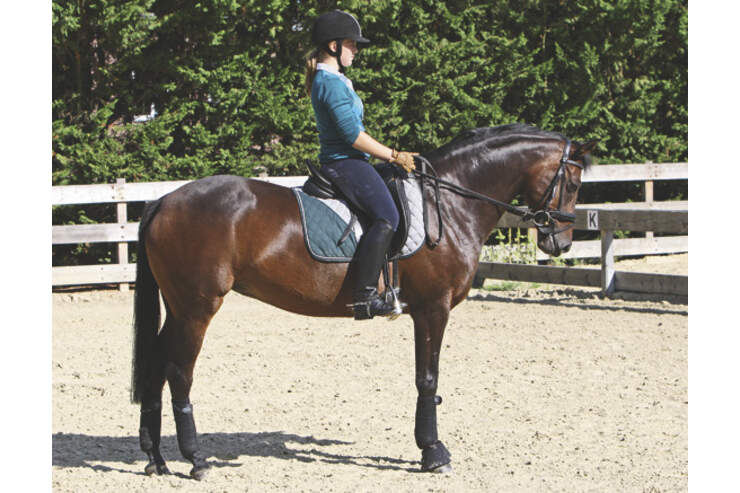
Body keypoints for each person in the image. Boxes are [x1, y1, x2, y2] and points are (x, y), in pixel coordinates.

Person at [305, 10, 418, 320]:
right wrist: (393, 155)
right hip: (344, 162)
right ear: (333, 46)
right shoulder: (329, 83)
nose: (355, 50)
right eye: (351, 44)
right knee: (387, 216)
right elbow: (353, 136)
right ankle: (365, 296)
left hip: (353, 161)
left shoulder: (336, 79)